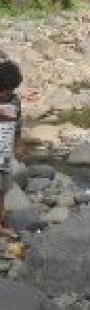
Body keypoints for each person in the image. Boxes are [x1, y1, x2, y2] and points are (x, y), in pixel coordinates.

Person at [0, 59, 22, 235]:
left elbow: (18, 125)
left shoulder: (15, 102)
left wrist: (18, 145)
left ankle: (0, 223)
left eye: (8, 91)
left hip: (5, 153)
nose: (4, 94)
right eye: (1, 90)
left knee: (3, 189)